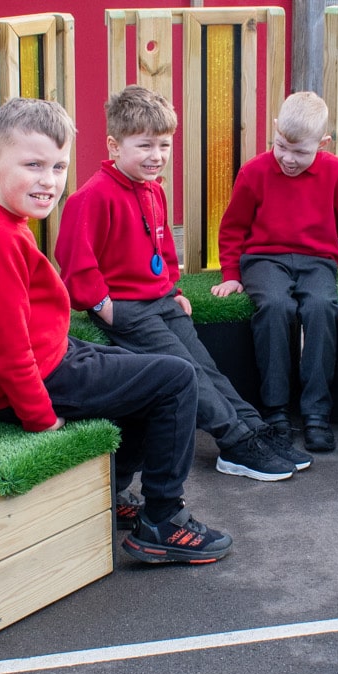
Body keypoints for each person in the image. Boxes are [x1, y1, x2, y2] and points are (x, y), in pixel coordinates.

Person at [0, 96, 231, 566]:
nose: (48, 181)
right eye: (32, 165)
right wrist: (40, 420)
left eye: (57, 167)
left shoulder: (4, 222)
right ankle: (163, 521)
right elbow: (6, 347)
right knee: (177, 380)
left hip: (54, 355)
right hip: (44, 378)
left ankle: (112, 492)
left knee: (153, 374)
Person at [54, 85, 304, 483]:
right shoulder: (92, 196)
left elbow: (163, 246)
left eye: (164, 145)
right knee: (187, 371)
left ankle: (255, 427)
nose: (156, 157)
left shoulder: (153, 190)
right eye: (145, 146)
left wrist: (175, 290)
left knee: (207, 365)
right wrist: (103, 305)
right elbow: (75, 260)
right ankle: (236, 443)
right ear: (114, 146)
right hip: (129, 310)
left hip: (161, 301)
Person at [210, 92, 338, 455]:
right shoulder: (254, 172)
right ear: (275, 131)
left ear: (324, 143)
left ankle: (316, 413)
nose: (288, 158)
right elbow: (233, 227)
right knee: (274, 307)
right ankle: (276, 411)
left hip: (317, 261)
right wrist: (231, 273)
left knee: (321, 308)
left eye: (300, 152)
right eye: (281, 146)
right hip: (264, 260)